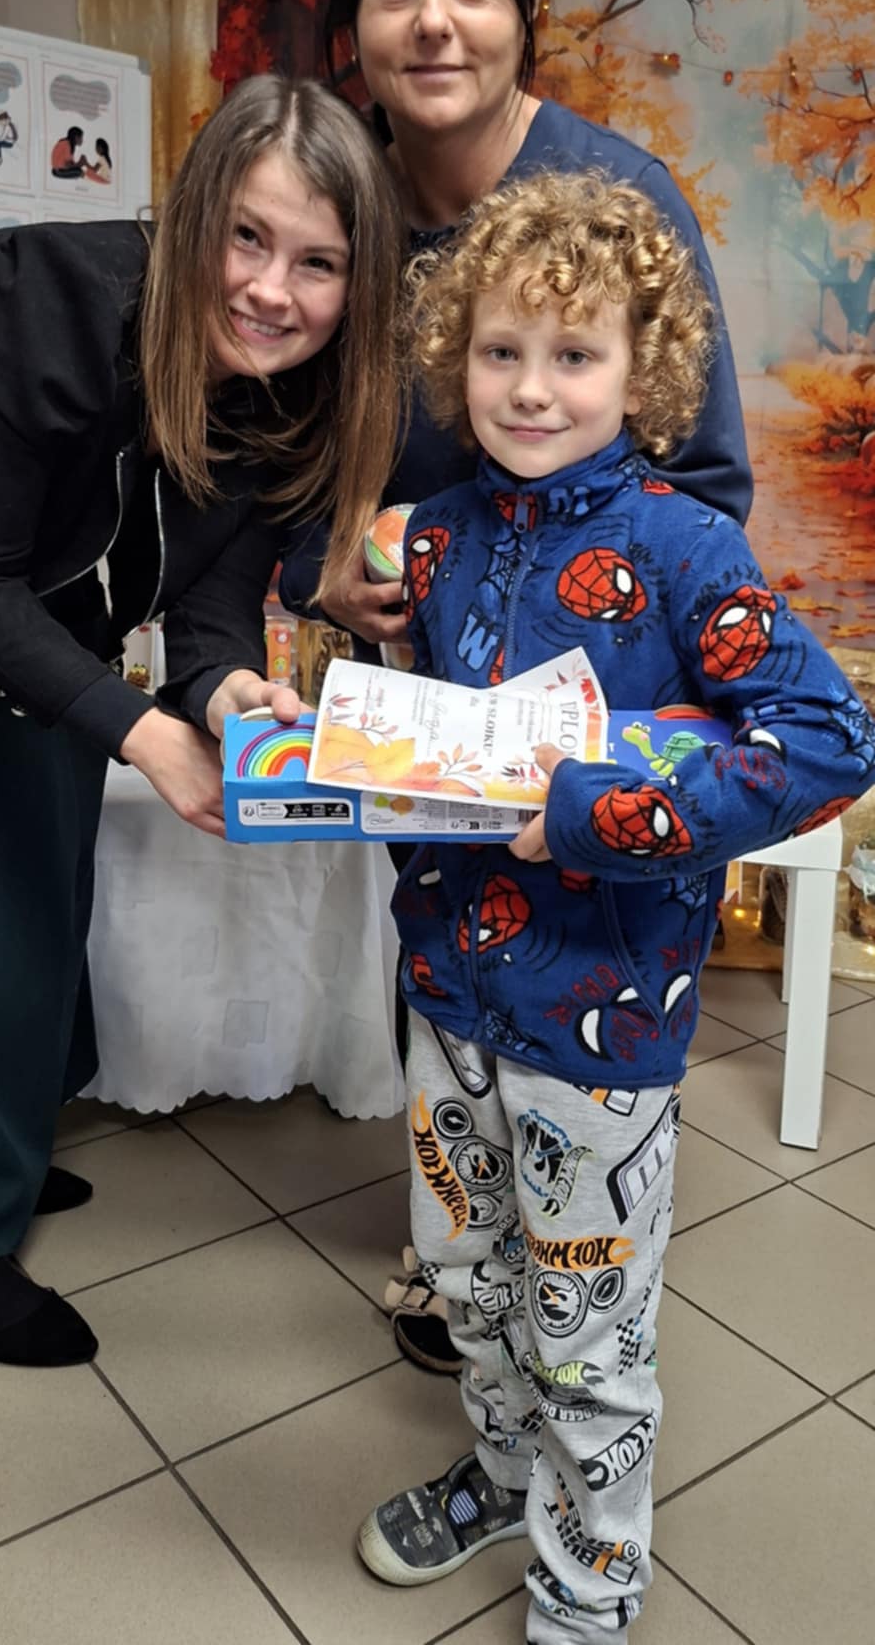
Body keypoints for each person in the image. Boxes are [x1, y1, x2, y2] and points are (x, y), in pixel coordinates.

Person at [355, 168, 875, 1639]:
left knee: (585, 1332)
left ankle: (588, 1586)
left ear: (639, 374)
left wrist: (598, 814)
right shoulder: (436, 535)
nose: (531, 387)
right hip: (446, 998)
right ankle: (503, 1473)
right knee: (466, 1282)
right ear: (457, 358)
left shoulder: (685, 545)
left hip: (603, 1025)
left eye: (572, 353)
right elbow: (440, 735)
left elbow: (828, 740)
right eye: (500, 350)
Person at [0, 75, 406, 1370]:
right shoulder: (36, 298)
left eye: (317, 264)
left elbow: (208, 596)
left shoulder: (293, 389)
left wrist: (222, 691)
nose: (270, 290)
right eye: (247, 237)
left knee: (41, 911)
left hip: (45, 645)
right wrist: (145, 732)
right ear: (193, 214)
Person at [280, 0, 753, 664]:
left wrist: (548, 615)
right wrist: (319, 570)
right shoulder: (322, 214)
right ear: (352, 15)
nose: (433, 21)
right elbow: (261, 462)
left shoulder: (621, 199)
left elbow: (705, 488)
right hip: (393, 703)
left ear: (527, 4)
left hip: (596, 686)